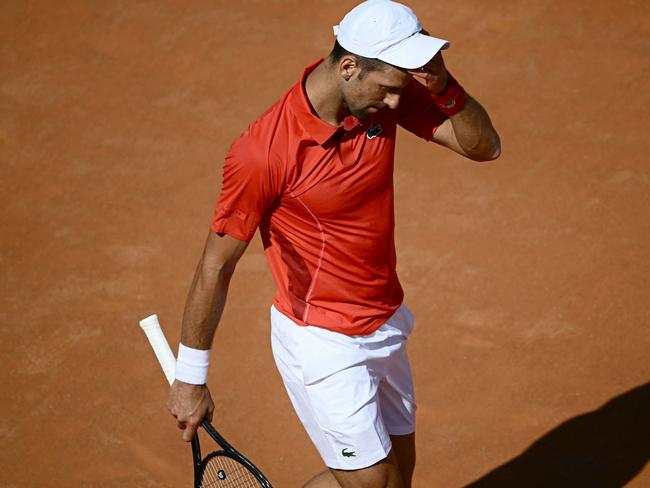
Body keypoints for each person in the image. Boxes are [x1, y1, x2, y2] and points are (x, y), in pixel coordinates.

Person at [166, 0, 500, 486]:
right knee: (371, 484)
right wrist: (191, 377)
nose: (393, 105)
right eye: (386, 90)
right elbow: (215, 265)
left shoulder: (382, 92)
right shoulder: (263, 152)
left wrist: (444, 86)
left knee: (397, 479)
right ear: (349, 66)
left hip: (384, 319)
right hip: (322, 340)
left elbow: (484, 146)